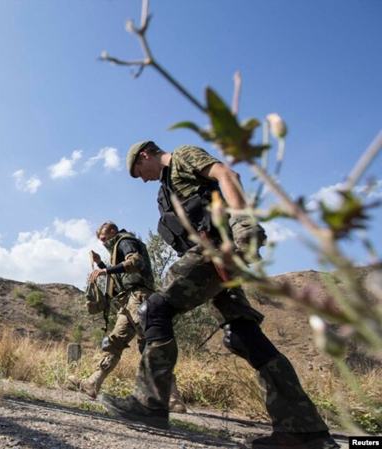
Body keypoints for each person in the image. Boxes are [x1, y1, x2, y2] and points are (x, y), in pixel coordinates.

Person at [99, 141, 337, 449]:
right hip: (216, 263)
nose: (142, 179)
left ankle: (150, 403)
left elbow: (227, 175)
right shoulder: (165, 190)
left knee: (154, 309)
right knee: (243, 335)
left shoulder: (182, 157)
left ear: (145, 155)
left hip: (215, 249)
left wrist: (242, 222)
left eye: (139, 172)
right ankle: (305, 431)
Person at [68, 221, 186, 413]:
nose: (103, 242)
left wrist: (105, 270)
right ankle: (92, 383)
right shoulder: (118, 247)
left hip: (139, 298)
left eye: (104, 238)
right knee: (115, 342)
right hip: (128, 301)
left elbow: (136, 263)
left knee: (151, 343)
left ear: (113, 232)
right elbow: (120, 276)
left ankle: (173, 398)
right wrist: (100, 264)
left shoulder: (125, 242)